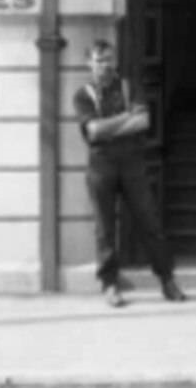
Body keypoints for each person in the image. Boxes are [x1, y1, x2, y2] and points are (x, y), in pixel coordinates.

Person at [73, 40, 186, 308]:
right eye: (99, 60)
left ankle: (167, 280)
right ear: (89, 64)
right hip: (101, 165)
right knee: (104, 228)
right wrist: (126, 118)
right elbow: (94, 132)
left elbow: (143, 121)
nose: (105, 65)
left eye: (109, 59)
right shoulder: (83, 95)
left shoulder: (128, 86)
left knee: (150, 222)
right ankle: (110, 285)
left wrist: (109, 126)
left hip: (132, 163)